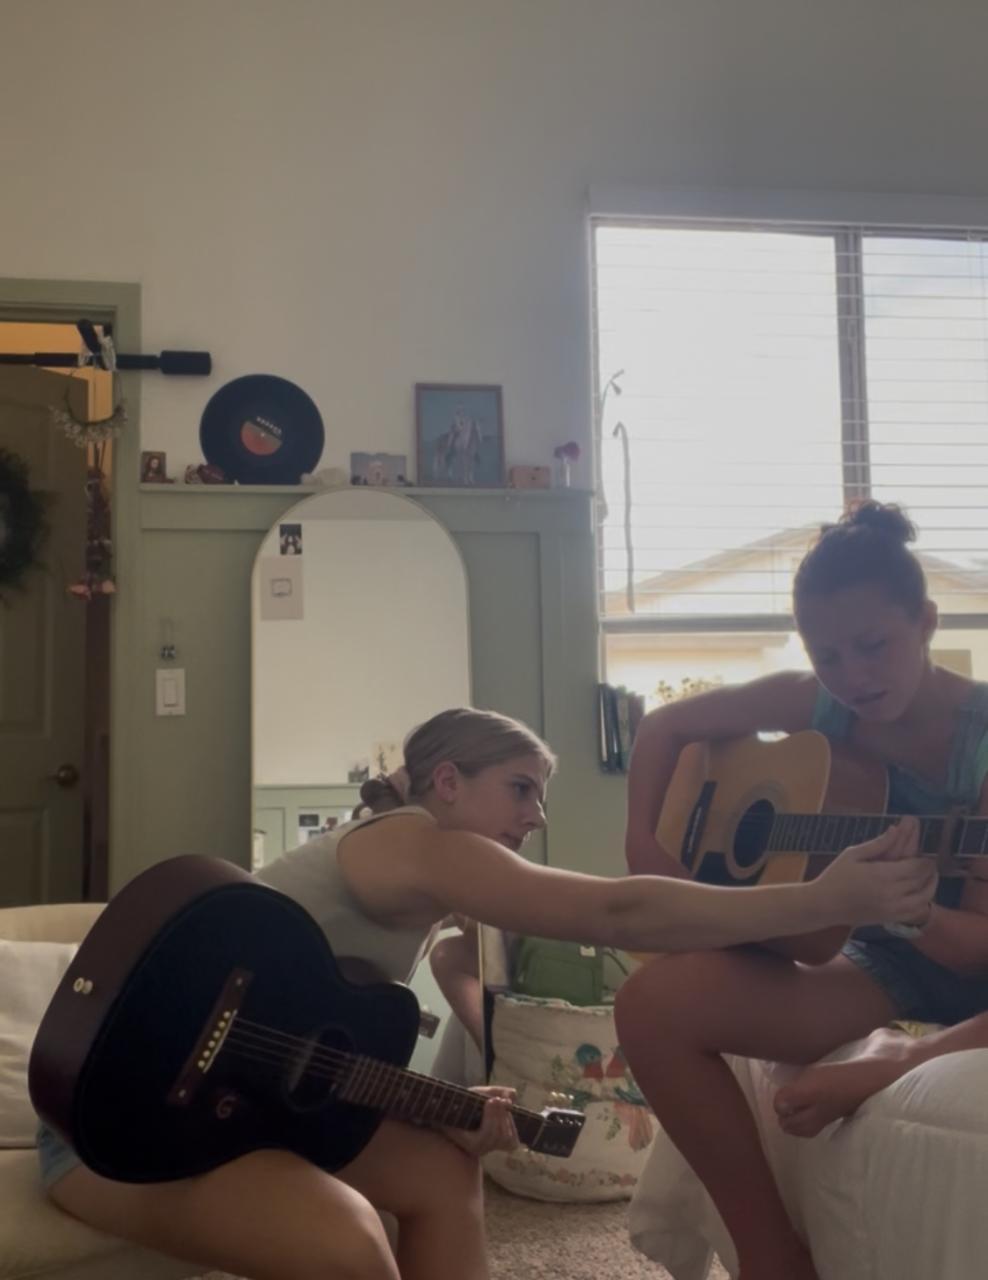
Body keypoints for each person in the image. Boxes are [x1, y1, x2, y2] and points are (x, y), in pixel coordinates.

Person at [39, 706, 932, 1280]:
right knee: (348, 1246)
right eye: (521, 789)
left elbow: (296, 1049)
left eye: (541, 797)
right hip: (117, 1124)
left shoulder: (415, 881)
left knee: (440, 1169)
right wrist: (823, 901)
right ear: (447, 784)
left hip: (228, 1105)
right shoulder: (416, 844)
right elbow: (618, 911)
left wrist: (437, 1107)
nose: (536, 816)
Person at [615, 502, 988, 1280]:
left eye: (873, 646)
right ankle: (772, 1257)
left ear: (925, 622)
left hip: (962, 958)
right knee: (651, 1007)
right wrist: (644, 846)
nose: (853, 676)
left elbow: (974, 952)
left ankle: (894, 1064)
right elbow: (663, 728)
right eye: (828, 656)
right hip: (882, 956)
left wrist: (910, 909)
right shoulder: (817, 704)